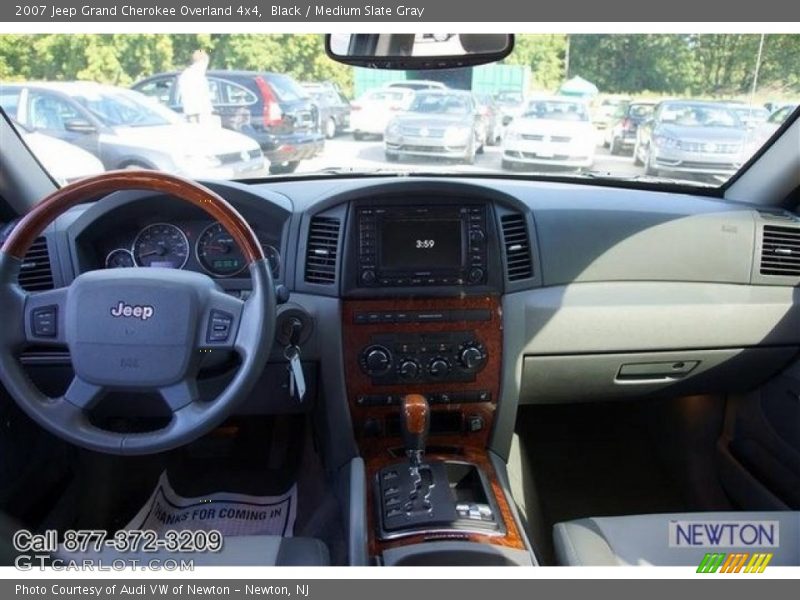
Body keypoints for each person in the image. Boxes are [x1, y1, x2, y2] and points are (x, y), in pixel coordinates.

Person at [177, 49, 213, 124]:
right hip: (200, 114)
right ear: (202, 61)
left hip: (190, 113)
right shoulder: (198, 76)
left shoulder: (185, 75)